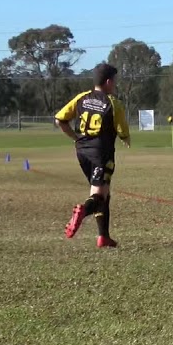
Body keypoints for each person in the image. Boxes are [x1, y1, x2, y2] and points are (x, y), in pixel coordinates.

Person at [57, 63, 131, 248]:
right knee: (99, 195)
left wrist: (75, 137)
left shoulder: (81, 97)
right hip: (101, 153)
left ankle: (103, 237)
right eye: (115, 81)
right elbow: (122, 129)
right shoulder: (113, 103)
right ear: (108, 82)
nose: (115, 84)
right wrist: (125, 138)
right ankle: (83, 211)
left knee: (102, 192)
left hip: (82, 152)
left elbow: (60, 119)